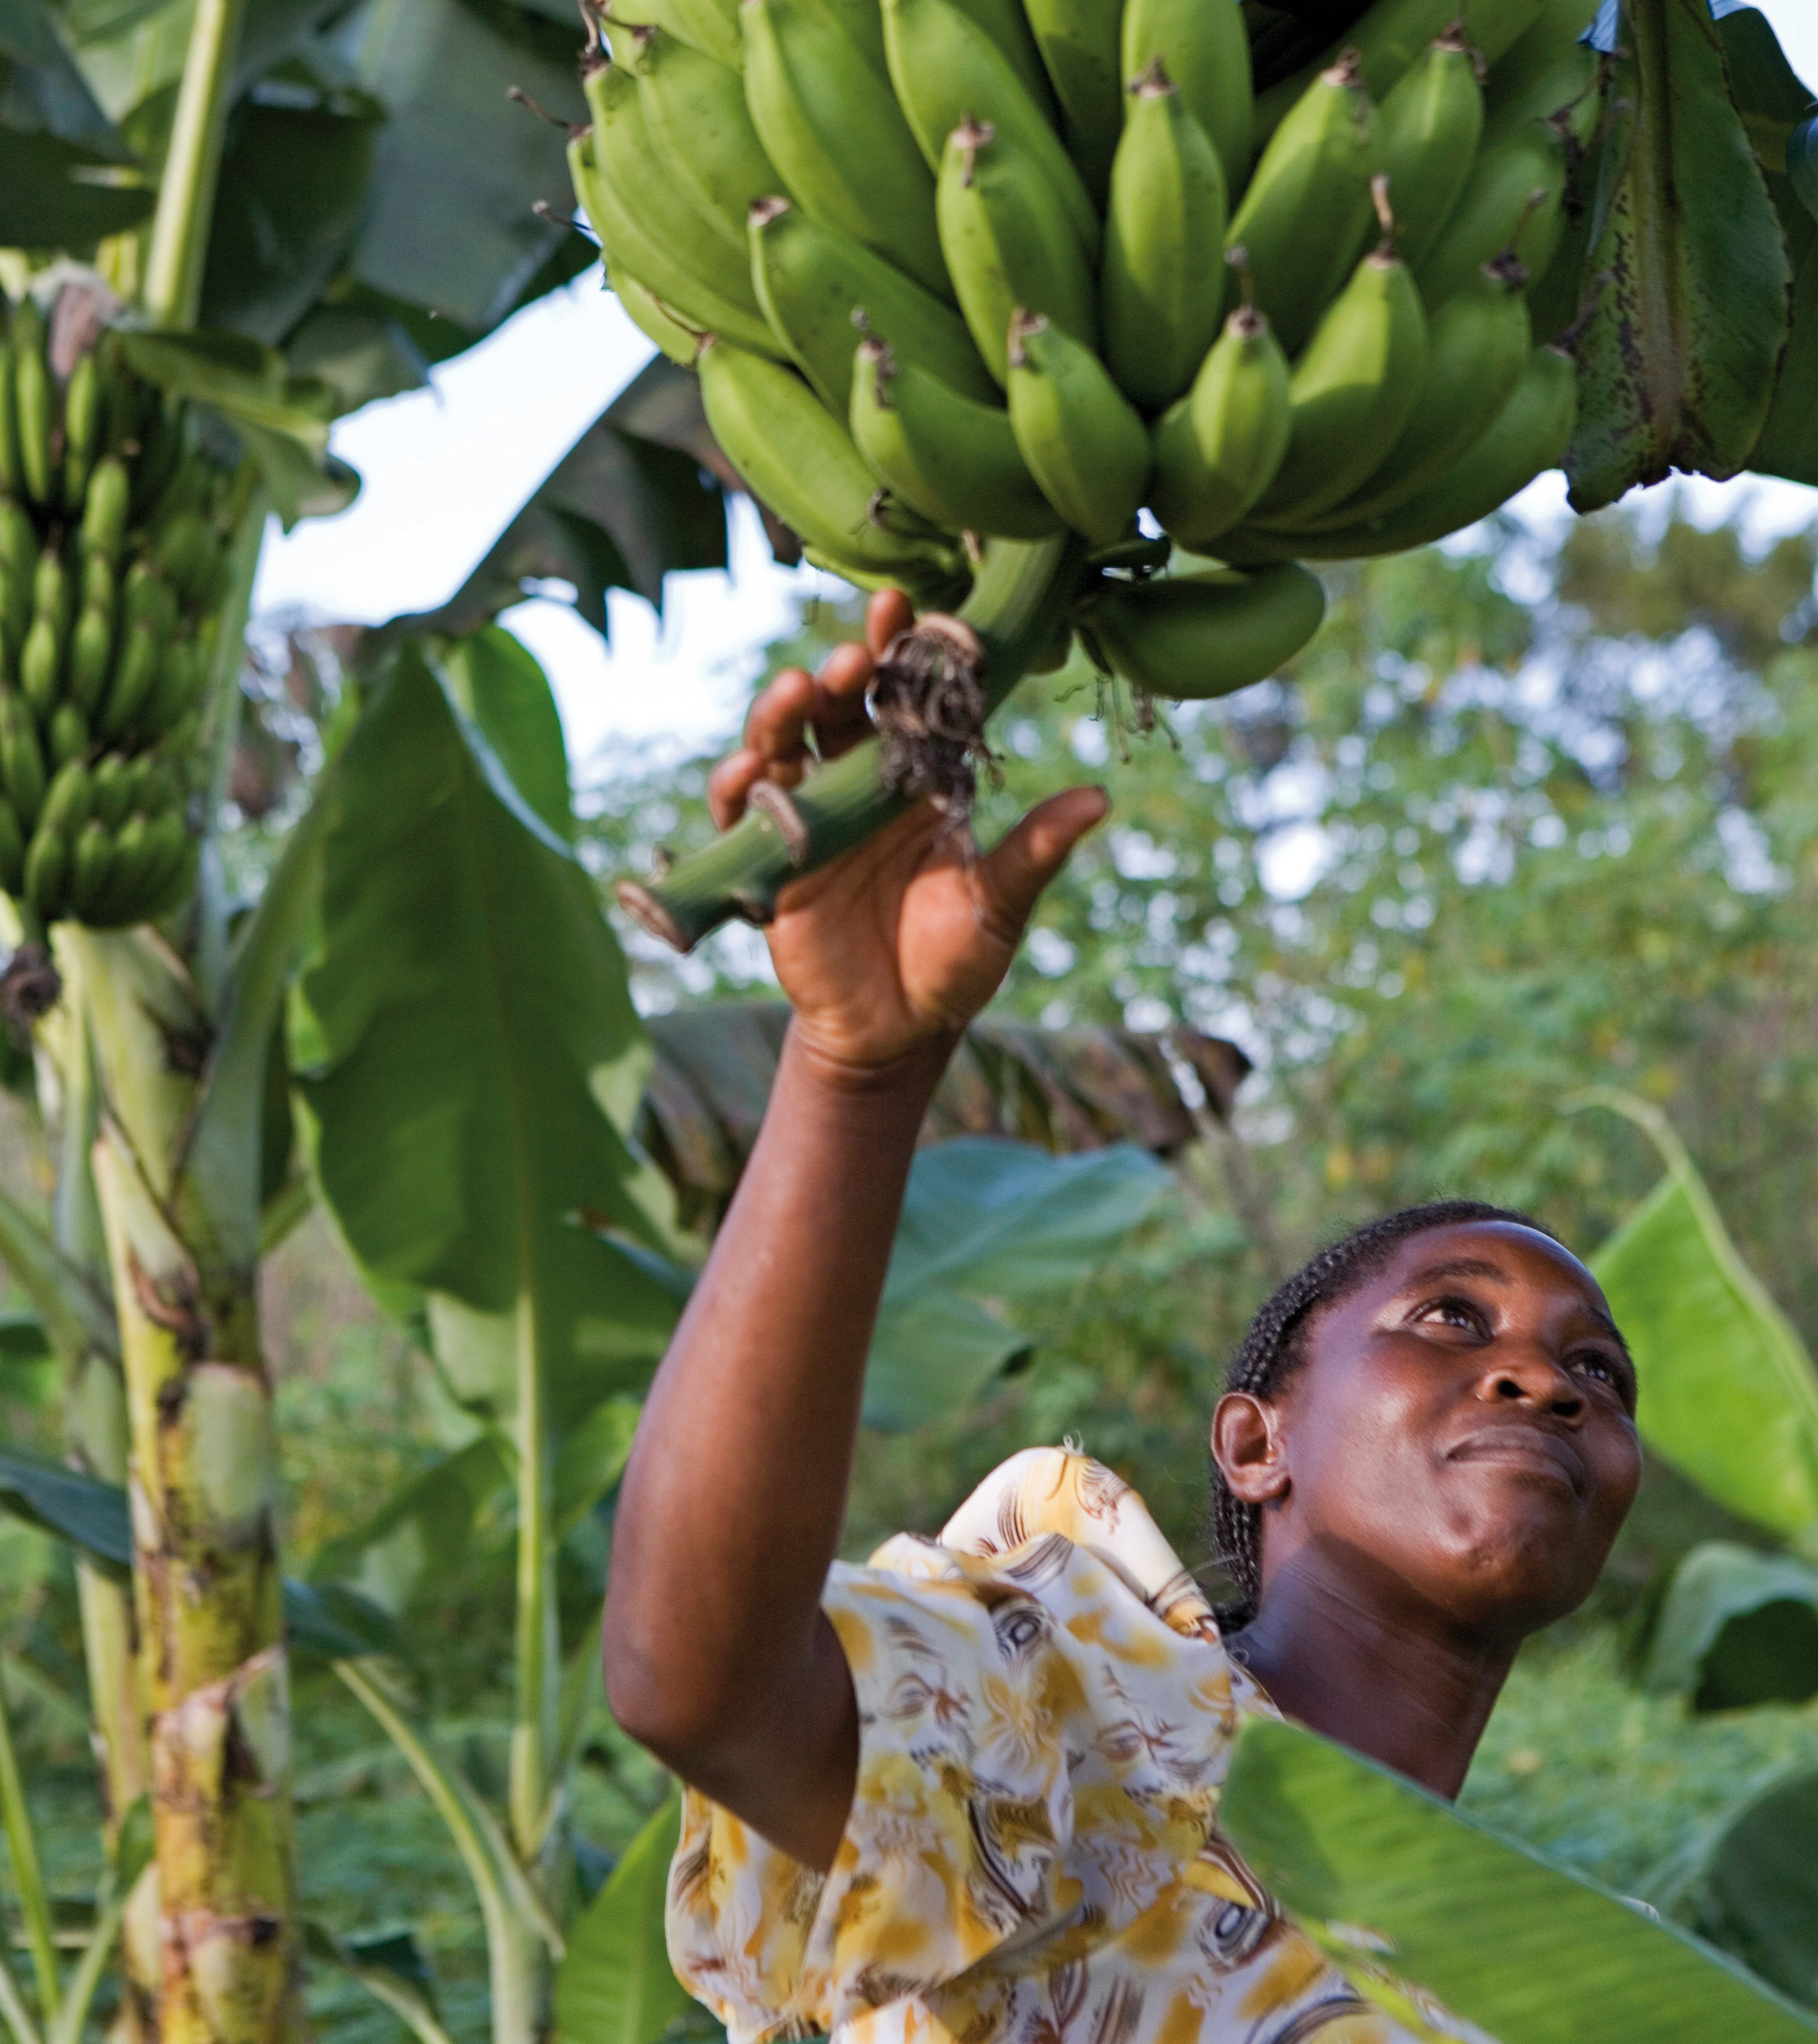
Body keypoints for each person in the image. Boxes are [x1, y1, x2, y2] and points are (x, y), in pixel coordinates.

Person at [603, 591, 1645, 2044]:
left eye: (1599, 1368)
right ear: (1256, 1441)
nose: (1544, 1376)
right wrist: (854, 1072)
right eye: (1454, 1321)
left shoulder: (1524, 1982)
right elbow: (698, 1682)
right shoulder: (1091, 1709)